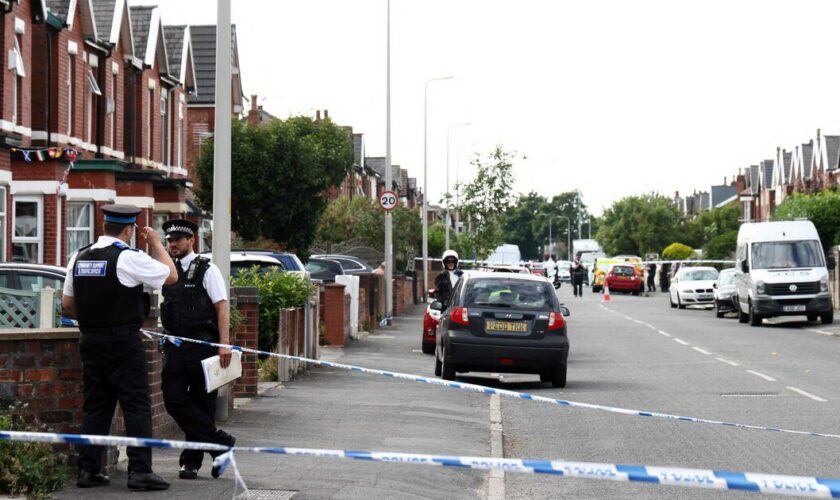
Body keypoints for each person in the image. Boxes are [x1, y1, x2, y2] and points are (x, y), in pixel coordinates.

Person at [62, 205, 178, 491]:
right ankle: (140, 471)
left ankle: (88, 470)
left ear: (104, 225)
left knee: (96, 406)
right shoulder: (127, 257)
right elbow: (171, 276)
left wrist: (94, 321)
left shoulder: (78, 257)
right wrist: (156, 244)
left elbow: (67, 305)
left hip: (90, 340)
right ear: (129, 230)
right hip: (123, 342)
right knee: (136, 404)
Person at [159, 219, 236, 480]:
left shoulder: (207, 269)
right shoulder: (167, 271)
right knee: (173, 399)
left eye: (178, 240)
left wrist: (224, 343)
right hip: (175, 346)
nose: (173, 245)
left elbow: (221, 307)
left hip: (203, 345)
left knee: (203, 404)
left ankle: (190, 462)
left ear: (192, 240)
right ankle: (220, 443)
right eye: (169, 241)